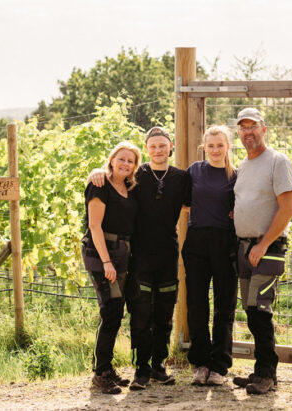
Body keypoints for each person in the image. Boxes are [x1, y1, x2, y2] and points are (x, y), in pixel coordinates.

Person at [89, 127, 190, 391]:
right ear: (147, 149)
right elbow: (111, 178)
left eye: (162, 145)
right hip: (139, 258)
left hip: (168, 255)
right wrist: (97, 171)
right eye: (152, 146)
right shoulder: (137, 175)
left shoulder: (182, 178)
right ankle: (141, 370)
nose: (158, 150)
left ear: (171, 147)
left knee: (165, 315)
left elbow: (194, 204)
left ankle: (159, 366)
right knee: (141, 315)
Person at [230, 107, 292, 395]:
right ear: (238, 133)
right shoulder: (242, 166)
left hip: (266, 248)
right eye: (243, 128)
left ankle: (266, 373)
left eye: (253, 126)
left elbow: (287, 208)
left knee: (260, 310)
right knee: (250, 309)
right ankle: (263, 370)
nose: (248, 132)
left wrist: (263, 244)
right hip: (244, 247)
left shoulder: (278, 162)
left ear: (263, 129)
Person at [81, 141, 141, 394]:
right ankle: (101, 372)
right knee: (111, 308)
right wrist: (106, 262)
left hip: (122, 253)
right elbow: (95, 226)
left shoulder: (129, 187)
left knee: (117, 311)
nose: (125, 164)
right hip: (101, 253)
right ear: (112, 159)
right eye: (122, 159)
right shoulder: (100, 185)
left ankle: (106, 367)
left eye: (131, 161)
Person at [182, 125, 237, 386]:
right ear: (204, 147)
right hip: (196, 242)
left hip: (225, 243)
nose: (215, 150)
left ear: (228, 147)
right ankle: (201, 363)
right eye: (211, 146)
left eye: (220, 145)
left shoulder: (237, 175)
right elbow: (180, 199)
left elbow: (247, 202)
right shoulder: (195, 170)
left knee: (224, 305)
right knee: (197, 304)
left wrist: (239, 213)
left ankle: (219, 367)